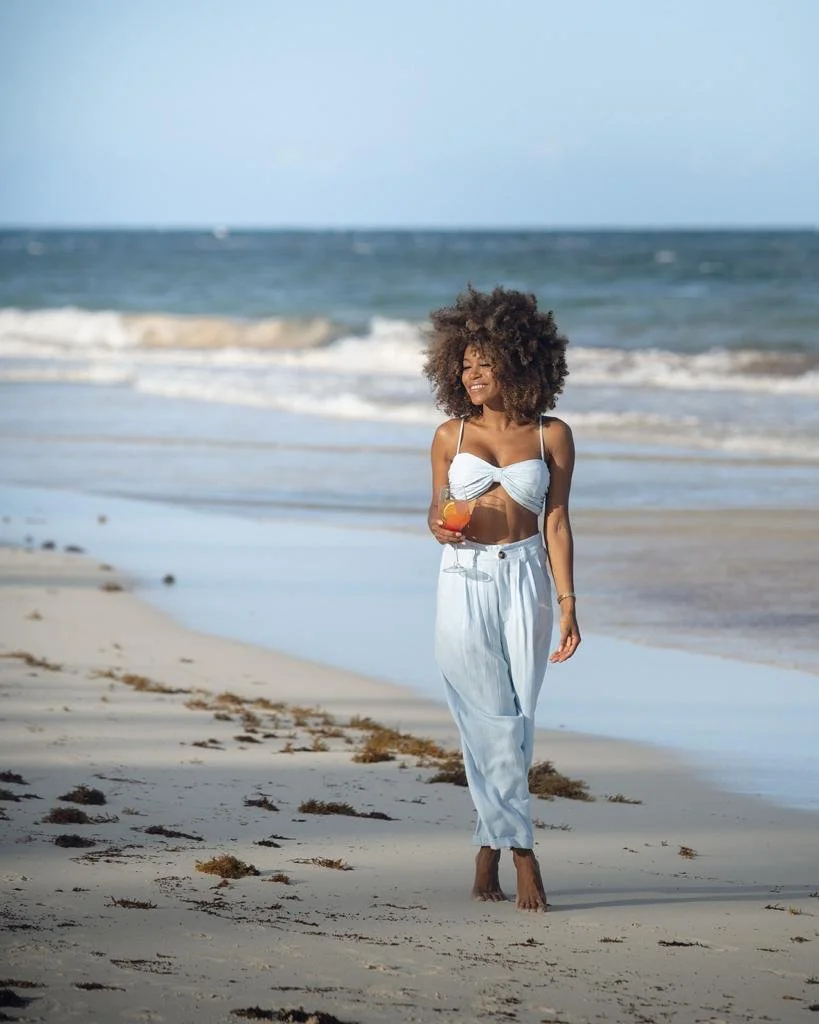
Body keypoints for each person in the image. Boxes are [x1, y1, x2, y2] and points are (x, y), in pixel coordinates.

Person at [423, 284, 581, 913]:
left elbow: (559, 522)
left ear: (519, 362)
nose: (472, 374)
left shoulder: (552, 436)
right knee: (488, 716)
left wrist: (568, 602)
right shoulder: (448, 436)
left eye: (485, 362)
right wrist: (439, 525)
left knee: (517, 720)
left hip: (527, 581)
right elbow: (436, 512)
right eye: (464, 364)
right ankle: (522, 854)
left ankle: (486, 849)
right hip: (462, 578)